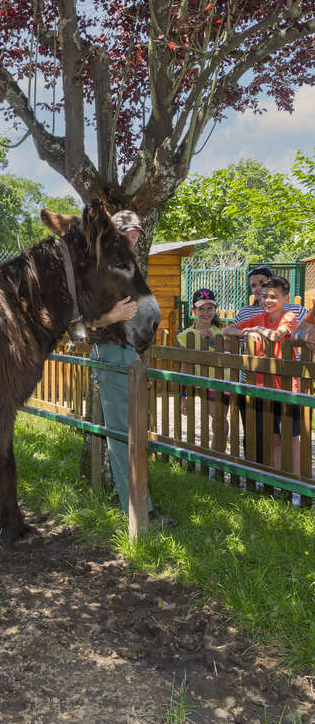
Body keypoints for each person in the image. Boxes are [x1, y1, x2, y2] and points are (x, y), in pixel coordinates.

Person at [89, 210, 175, 530]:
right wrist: (112, 317)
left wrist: (136, 357)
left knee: (132, 433)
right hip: (110, 355)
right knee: (124, 436)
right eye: (126, 233)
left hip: (126, 354)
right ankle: (140, 515)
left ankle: (134, 502)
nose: (133, 238)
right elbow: (79, 323)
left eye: (136, 233)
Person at [223, 276, 300, 474]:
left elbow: (276, 335)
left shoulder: (288, 317)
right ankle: (276, 477)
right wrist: (245, 332)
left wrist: (256, 329)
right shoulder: (259, 318)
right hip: (262, 388)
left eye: (273, 297)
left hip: (286, 387)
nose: (267, 300)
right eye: (264, 296)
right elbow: (227, 329)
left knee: (292, 437)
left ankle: (297, 479)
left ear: (285, 298)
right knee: (273, 437)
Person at [176, 288, 229, 449]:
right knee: (218, 422)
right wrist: (182, 395)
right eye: (201, 309)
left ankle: (216, 457)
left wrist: (214, 341)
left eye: (210, 308)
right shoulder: (185, 336)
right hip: (203, 384)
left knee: (220, 422)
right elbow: (183, 367)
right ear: (194, 310)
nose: (206, 312)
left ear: (215, 309)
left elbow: (231, 350)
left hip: (223, 382)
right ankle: (215, 458)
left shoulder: (223, 331)